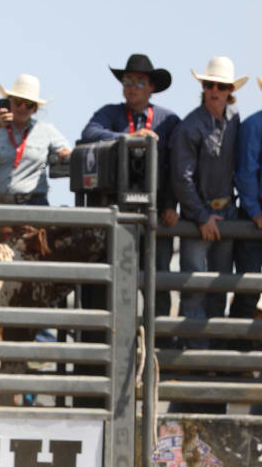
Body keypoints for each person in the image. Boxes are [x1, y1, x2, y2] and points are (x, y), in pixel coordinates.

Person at [80, 54, 180, 321]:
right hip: (118, 210)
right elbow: (89, 133)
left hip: (155, 209)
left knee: (157, 277)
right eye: (128, 81)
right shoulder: (110, 113)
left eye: (139, 81)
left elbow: (175, 168)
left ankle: (158, 345)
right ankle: (115, 343)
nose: (132, 86)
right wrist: (127, 138)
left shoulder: (168, 121)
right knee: (116, 277)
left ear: (151, 87)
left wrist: (170, 205)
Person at [170, 57, 244, 385]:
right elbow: (181, 177)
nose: (214, 91)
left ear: (230, 92)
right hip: (201, 217)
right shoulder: (190, 126)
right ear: (203, 88)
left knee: (218, 286)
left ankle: (211, 355)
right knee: (196, 287)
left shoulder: (236, 121)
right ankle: (198, 358)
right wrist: (201, 215)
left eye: (221, 86)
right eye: (209, 85)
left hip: (225, 213)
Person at [0, 74, 72, 245]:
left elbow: (67, 152)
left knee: (35, 265)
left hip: (34, 207)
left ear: (35, 109)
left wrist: (65, 154)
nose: (22, 107)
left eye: (29, 104)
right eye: (18, 101)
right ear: (9, 101)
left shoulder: (46, 131)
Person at [232, 77, 262, 414]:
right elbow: (246, 172)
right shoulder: (255, 125)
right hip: (256, 220)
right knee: (246, 287)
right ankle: (236, 360)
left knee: (246, 286)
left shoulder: (253, 123)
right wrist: (255, 211)